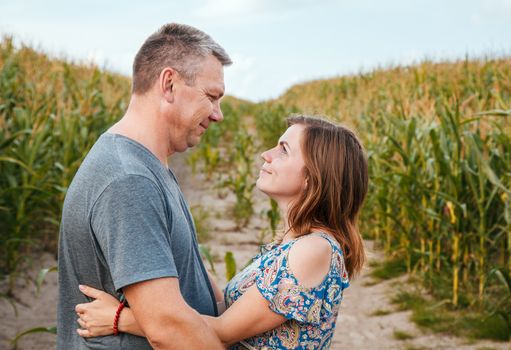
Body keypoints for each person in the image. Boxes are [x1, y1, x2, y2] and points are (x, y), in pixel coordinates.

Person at [75, 115, 368, 349]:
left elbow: (221, 333)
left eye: (283, 150)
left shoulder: (314, 250)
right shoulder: (293, 245)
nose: (267, 155)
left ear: (312, 177)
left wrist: (119, 319)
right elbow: (225, 309)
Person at [57, 23, 232, 349]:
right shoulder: (128, 180)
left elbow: (180, 268)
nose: (218, 114)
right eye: (211, 97)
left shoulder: (149, 165)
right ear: (169, 84)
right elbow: (167, 328)